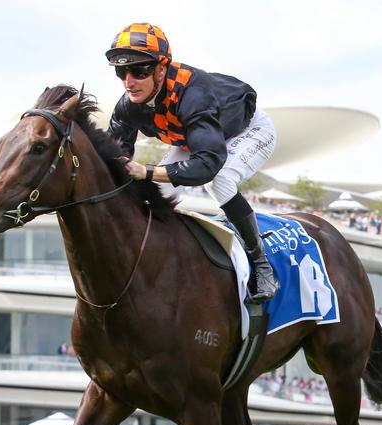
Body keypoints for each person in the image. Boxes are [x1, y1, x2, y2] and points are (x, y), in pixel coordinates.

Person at [106, 23, 279, 302]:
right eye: (121, 72)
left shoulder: (192, 94)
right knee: (158, 194)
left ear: (161, 68)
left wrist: (147, 171)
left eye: (139, 71)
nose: (129, 82)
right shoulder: (127, 105)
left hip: (248, 130)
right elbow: (115, 153)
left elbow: (208, 165)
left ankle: (260, 262)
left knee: (219, 181)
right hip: (197, 140)